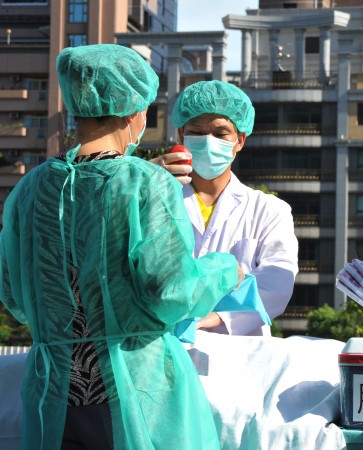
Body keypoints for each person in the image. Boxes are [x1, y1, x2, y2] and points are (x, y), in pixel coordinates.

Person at [0, 44, 249, 449]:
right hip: (134, 390)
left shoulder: (29, 189)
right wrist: (224, 270)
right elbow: (169, 292)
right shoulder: (143, 182)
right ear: (134, 111)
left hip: (53, 392)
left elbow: (14, 295)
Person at [155, 80, 299, 336]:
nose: (208, 142)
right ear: (181, 136)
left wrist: (217, 317)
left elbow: (277, 283)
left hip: (238, 351)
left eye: (221, 134)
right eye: (196, 132)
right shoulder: (157, 199)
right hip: (164, 345)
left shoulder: (268, 210)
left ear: (240, 140)